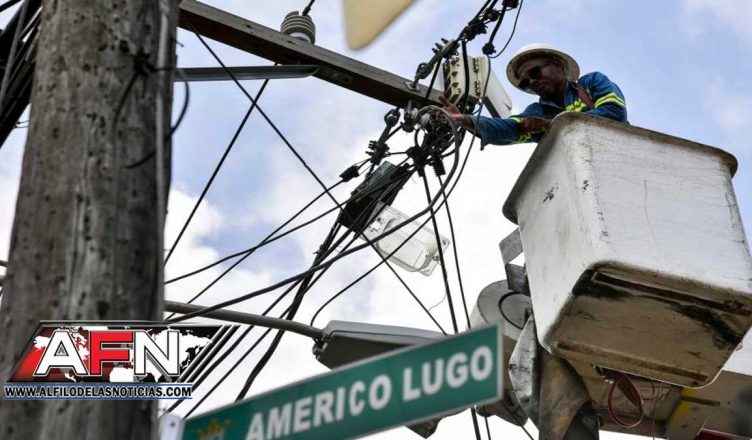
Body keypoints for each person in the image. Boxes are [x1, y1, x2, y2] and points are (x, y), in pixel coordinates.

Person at [440, 43, 628, 146]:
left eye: (535, 73)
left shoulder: (591, 82)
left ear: (558, 66)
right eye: (525, 82)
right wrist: (465, 119)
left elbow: (614, 114)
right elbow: (508, 128)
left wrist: (551, 124)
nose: (531, 82)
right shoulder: (537, 111)